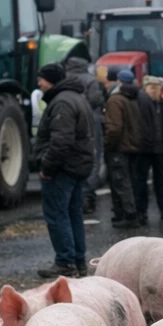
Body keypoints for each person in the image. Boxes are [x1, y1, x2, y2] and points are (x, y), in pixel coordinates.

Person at [33, 62, 94, 278]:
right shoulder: (76, 97)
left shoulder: (62, 102)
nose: (38, 83)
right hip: (76, 165)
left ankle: (65, 261)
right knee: (72, 214)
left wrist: (47, 166)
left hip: (62, 168)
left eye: (41, 78)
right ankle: (78, 261)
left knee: (58, 215)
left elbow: (61, 141)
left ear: (50, 80)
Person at [64, 55, 105, 214]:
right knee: (92, 158)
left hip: (68, 121)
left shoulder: (65, 79)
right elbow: (95, 100)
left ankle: (73, 198)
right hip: (90, 121)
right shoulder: (90, 80)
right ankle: (88, 197)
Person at [131, 75, 163, 224]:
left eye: (157, 88)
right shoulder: (140, 105)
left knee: (161, 182)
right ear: (145, 89)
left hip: (159, 150)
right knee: (140, 182)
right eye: (151, 88)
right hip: (143, 150)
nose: (154, 91)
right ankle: (141, 210)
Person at [103, 68, 141, 229]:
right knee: (129, 181)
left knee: (121, 182)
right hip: (132, 147)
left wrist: (107, 144)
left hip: (119, 148)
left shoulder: (115, 100)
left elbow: (115, 128)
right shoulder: (132, 98)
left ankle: (129, 215)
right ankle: (126, 213)